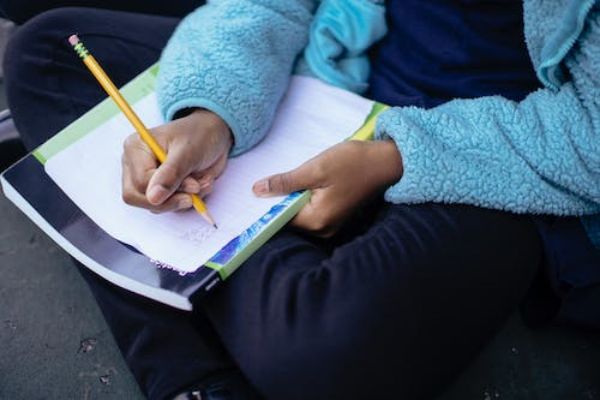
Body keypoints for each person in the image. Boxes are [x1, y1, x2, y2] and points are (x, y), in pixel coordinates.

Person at [3, 0, 599, 399]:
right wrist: (210, 111)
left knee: (327, 350)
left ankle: (203, 290)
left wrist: (395, 158)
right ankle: (203, 373)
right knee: (47, 52)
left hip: (497, 158)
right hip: (333, 73)